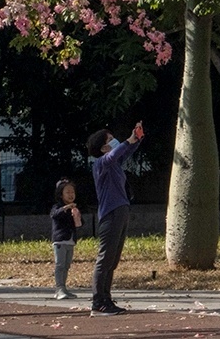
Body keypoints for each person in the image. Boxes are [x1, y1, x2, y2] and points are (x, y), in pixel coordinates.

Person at [85, 121, 143, 317]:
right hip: (110, 213)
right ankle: (97, 301)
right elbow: (116, 153)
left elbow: (124, 152)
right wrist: (128, 141)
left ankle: (106, 298)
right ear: (103, 148)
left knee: (113, 260)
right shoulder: (101, 163)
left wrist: (136, 138)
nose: (115, 142)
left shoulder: (113, 164)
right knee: (105, 258)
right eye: (110, 140)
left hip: (121, 210)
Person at [50, 178, 83, 299]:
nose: (71, 195)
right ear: (61, 194)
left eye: (72, 192)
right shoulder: (57, 207)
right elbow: (54, 215)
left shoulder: (74, 209)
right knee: (60, 265)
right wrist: (66, 208)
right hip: (59, 241)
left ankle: (64, 288)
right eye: (67, 192)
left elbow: (79, 224)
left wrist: (77, 215)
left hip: (70, 241)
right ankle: (59, 289)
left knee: (66, 265)